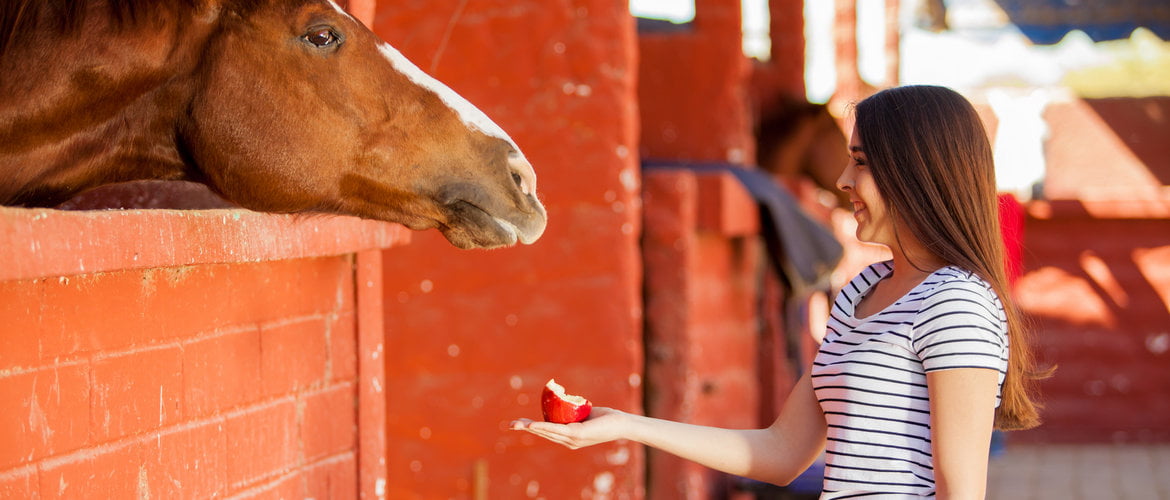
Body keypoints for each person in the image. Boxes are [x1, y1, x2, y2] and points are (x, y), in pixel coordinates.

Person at [511, 85, 1046, 499]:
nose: (841, 179)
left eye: (860, 162)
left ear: (914, 172)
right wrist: (626, 426)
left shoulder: (956, 302)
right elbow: (782, 450)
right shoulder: (862, 290)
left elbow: (961, 490)